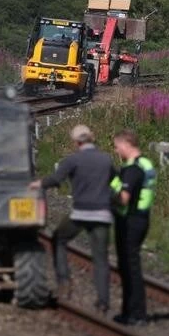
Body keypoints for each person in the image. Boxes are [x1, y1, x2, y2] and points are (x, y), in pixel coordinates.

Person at [29, 124, 115, 315]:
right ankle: (103, 303)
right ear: (92, 138)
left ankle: (64, 281)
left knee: (59, 238)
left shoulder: (73, 159)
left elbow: (55, 179)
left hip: (81, 214)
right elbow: (115, 181)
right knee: (101, 259)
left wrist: (38, 184)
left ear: (76, 142)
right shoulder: (106, 159)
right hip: (102, 215)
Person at [110, 128, 156, 326]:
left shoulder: (133, 168)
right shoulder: (145, 163)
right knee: (128, 266)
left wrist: (107, 196)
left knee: (130, 268)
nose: (116, 150)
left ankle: (137, 314)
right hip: (140, 218)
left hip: (131, 221)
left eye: (117, 146)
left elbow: (123, 199)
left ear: (126, 144)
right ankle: (129, 312)